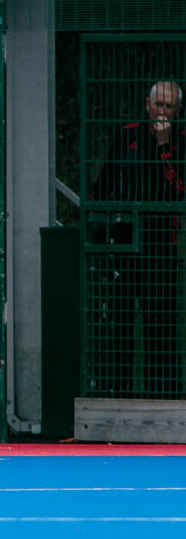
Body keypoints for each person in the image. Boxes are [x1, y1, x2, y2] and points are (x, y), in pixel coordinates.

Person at [90, 81, 184, 395]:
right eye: (158, 105)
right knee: (120, 320)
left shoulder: (181, 140)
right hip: (125, 241)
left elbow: (180, 188)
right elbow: (105, 183)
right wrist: (100, 220)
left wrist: (164, 144)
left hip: (162, 241)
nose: (162, 112)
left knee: (161, 322)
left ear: (177, 111)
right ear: (147, 105)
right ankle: (117, 390)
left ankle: (164, 394)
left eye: (169, 107)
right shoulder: (127, 134)